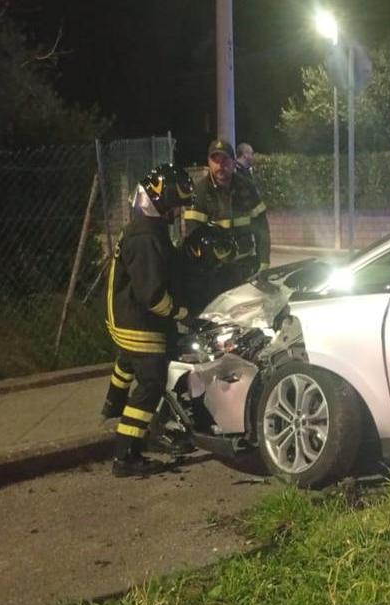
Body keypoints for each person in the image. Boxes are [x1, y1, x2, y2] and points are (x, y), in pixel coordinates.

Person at [102, 164, 193, 478]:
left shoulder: (145, 228)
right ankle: (126, 454)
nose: (178, 212)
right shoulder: (145, 237)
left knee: (128, 361)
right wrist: (183, 313)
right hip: (138, 323)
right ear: (159, 200)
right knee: (151, 384)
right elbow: (152, 297)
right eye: (175, 205)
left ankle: (113, 405)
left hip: (127, 318)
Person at [180, 139, 271, 315]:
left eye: (225, 160)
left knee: (248, 318)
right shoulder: (199, 193)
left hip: (246, 271)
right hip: (214, 275)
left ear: (233, 161)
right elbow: (193, 237)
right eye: (216, 160)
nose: (221, 165)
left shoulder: (246, 188)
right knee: (218, 320)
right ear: (209, 162)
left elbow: (262, 228)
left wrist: (264, 263)